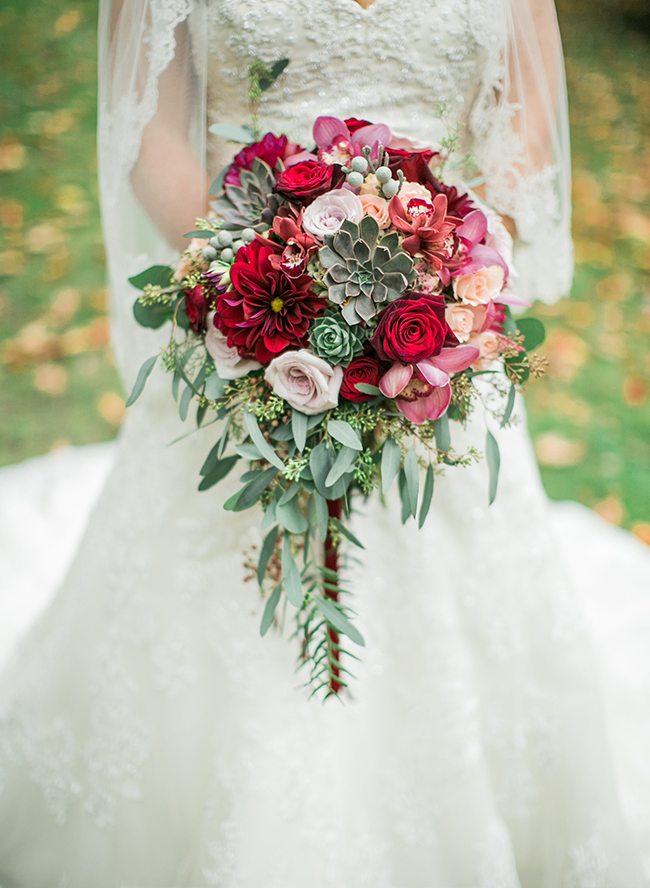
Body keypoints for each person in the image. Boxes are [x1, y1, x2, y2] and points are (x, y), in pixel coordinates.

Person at [1, 0, 650, 884]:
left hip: (438, 357)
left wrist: (439, 286)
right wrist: (268, 297)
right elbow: (147, 135)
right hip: (241, 327)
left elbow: (524, 139)